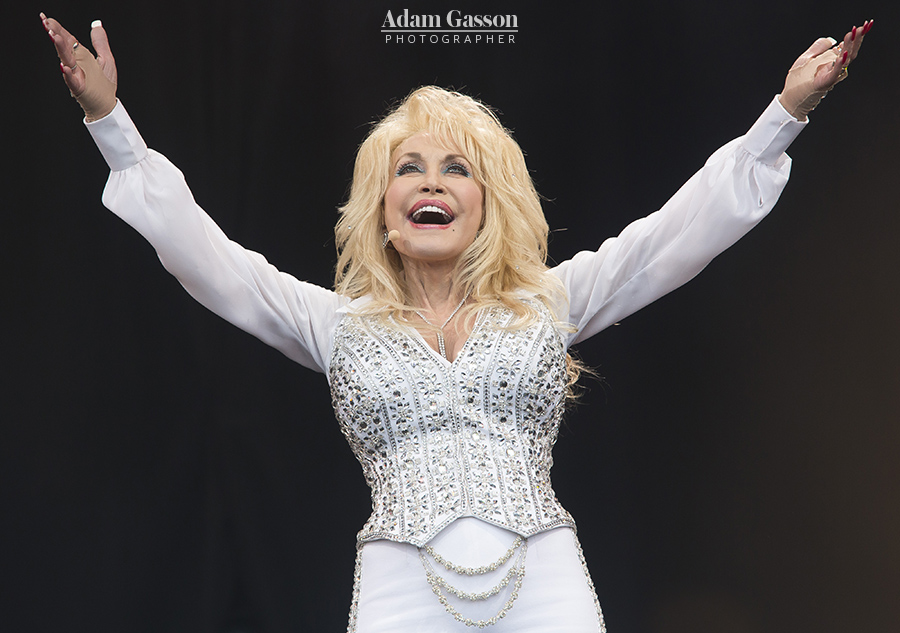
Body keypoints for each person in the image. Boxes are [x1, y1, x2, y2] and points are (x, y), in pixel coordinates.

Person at [41, 12, 870, 632]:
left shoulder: (550, 299)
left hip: (542, 580)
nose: (429, 181)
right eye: (409, 167)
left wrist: (784, 113)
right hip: (402, 588)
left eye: (455, 167)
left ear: (486, 202)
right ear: (383, 204)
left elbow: (673, 235)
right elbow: (209, 259)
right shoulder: (337, 323)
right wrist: (112, 124)